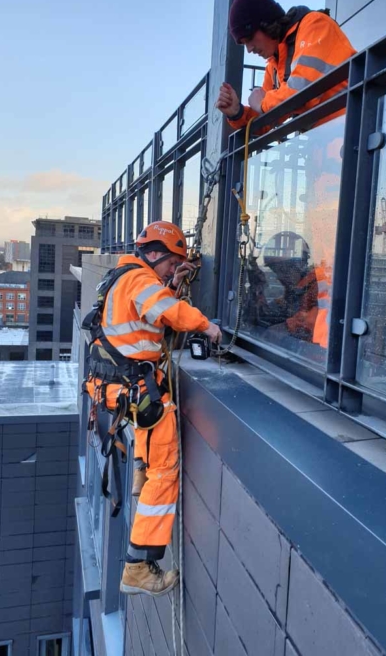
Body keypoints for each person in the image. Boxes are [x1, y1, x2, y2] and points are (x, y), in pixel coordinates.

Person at [85, 221, 221, 597]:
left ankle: (140, 481)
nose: (167, 272)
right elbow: (170, 312)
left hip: (119, 387)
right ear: (158, 254)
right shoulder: (140, 280)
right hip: (131, 387)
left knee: (150, 439)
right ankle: (138, 566)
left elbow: (152, 308)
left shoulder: (125, 275)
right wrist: (208, 327)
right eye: (169, 263)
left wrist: (174, 280)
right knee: (166, 472)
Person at [216, 0, 356, 130]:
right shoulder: (274, 66)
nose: (249, 49)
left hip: (353, 134)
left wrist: (262, 103)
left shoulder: (315, 25)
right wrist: (237, 113)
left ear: (266, 23)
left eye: (250, 38)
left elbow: (302, 94)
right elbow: (268, 119)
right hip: (328, 143)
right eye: (244, 44)